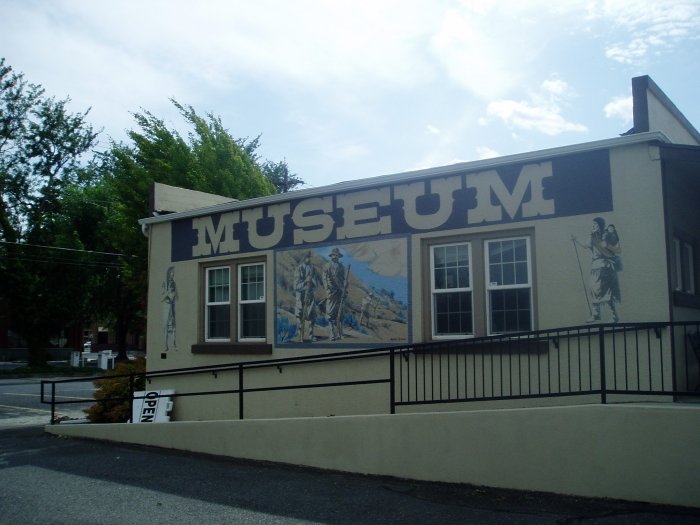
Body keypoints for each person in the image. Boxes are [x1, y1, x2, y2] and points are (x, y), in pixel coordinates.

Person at [573, 217, 622, 323]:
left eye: (595, 225)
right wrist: (576, 240)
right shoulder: (592, 237)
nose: (593, 227)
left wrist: (607, 245)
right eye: (592, 225)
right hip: (595, 266)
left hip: (605, 266)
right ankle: (596, 314)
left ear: (599, 226)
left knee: (607, 291)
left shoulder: (606, 236)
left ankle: (614, 316)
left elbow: (617, 249)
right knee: (594, 289)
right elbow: (586, 245)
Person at [294, 251, 318, 342]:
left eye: (310, 257)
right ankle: (301, 336)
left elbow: (315, 284)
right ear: (304, 258)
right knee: (300, 316)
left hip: (310, 296)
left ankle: (311, 335)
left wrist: (312, 281)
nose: (309, 259)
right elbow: (296, 286)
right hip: (301, 296)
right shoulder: (299, 269)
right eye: (307, 257)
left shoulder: (313, 268)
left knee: (312, 316)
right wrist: (305, 281)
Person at [323, 248, 347, 341]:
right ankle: (332, 334)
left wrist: (344, 286)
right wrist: (327, 290)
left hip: (340, 292)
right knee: (330, 314)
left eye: (336, 255)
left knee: (340, 314)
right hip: (331, 292)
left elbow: (343, 279)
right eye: (333, 255)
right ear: (331, 256)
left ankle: (340, 334)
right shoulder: (327, 266)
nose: (335, 257)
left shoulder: (341, 267)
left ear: (339, 257)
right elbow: (324, 279)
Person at [161, 266, 178, 351]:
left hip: (173, 305)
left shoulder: (174, 283)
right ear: (168, 274)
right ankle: (165, 345)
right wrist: (168, 292)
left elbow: (175, 295)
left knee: (174, 325)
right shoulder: (164, 283)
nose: (172, 275)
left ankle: (174, 344)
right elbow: (161, 298)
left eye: (173, 273)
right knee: (166, 326)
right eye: (171, 273)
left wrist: (174, 295)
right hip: (166, 306)